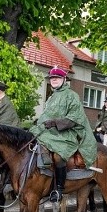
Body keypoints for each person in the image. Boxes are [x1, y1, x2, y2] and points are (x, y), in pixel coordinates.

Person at [29, 67, 97, 202]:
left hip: (67, 134)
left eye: (57, 78)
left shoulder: (72, 95)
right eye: (52, 78)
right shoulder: (52, 97)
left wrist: (55, 122)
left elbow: (74, 119)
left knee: (58, 156)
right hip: (50, 132)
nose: (53, 80)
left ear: (64, 79)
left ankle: (58, 189)